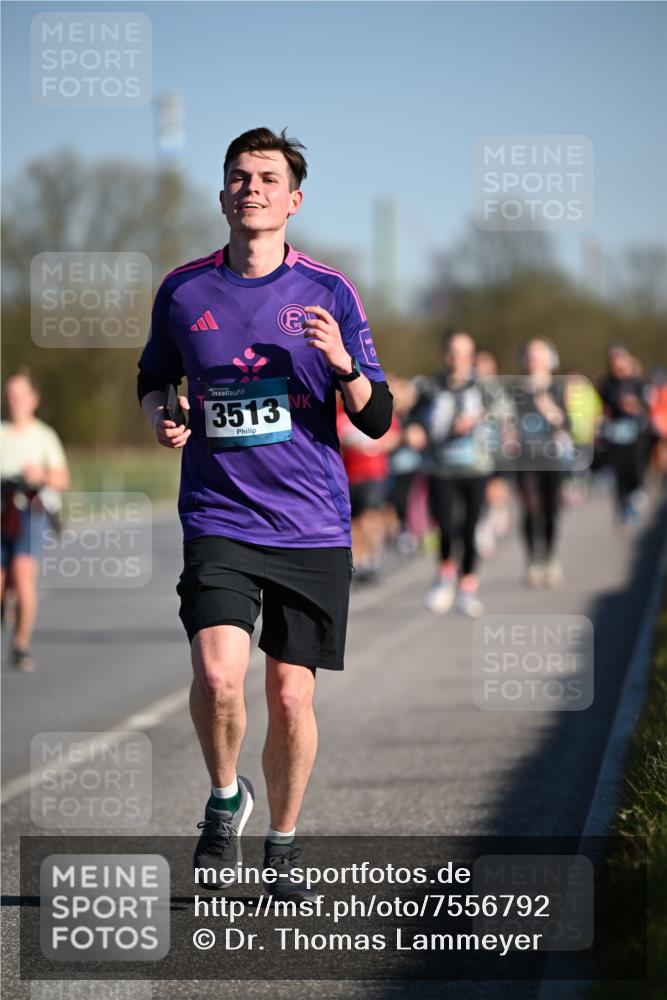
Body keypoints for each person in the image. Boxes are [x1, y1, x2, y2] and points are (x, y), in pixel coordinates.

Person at [137, 128, 392, 898]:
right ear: (222, 196)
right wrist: (164, 414)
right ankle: (223, 802)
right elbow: (153, 377)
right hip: (218, 516)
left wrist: (342, 365)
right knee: (219, 677)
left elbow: (377, 418)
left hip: (311, 524)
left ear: (293, 200)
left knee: (289, 695)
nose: (252, 188)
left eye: (267, 178)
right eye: (239, 177)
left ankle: (281, 843)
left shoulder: (329, 294)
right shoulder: (184, 291)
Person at [406, 331, 496, 618]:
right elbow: (413, 418)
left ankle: (468, 586)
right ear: (445, 355)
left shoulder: (484, 388)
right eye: (452, 352)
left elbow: (504, 417)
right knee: (445, 526)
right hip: (441, 467)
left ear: (471, 356)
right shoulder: (431, 387)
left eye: (463, 353)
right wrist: (415, 430)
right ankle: (445, 576)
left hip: (476, 468)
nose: (457, 359)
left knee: (469, 529)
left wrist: (478, 419)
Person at [1, 370, 69, 671]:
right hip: (2, 511)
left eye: (19, 395)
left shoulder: (43, 436)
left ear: (33, 399)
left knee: (23, 576)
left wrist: (38, 475)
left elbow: (61, 479)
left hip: (29, 512)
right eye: (9, 395)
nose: (13, 400)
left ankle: (20, 645)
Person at [512, 338, 570, 587]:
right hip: (525, 458)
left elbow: (568, 424)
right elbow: (506, 421)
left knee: (551, 510)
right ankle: (533, 559)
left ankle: (550, 555)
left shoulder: (559, 388)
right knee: (530, 508)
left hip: (551, 457)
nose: (534, 359)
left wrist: (547, 405)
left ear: (550, 360)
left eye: (539, 354)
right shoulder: (515, 389)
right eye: (530, 354)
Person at [336, 398, 400, 581]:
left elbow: (393, 437)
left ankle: (373, 556)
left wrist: (372, 446)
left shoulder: (373, 409)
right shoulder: (339, 415)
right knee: (354, 522)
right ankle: (361, 559)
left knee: (368, 518)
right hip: (349, 475)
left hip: (373, 473)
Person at [598, 343, 650, 524]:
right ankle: (623, 509)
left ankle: (636, 493)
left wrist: (636, 407)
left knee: (635, 466)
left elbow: (648, 406)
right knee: (619, 471)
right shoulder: (606, 384)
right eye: (614, 360)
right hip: (615, 434)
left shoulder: (638, 383)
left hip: (636, 433)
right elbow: (602, 408)